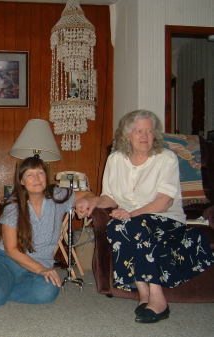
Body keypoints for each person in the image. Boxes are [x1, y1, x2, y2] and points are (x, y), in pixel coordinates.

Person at [78, 110, 214, 323]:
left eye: (149, 132)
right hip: (131, 219)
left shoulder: (165, 158)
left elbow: (164, 201)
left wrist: (130, 214)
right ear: (127, 136)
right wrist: (92, 201)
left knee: (134, 226)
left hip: (166, 218)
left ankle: (158, 298)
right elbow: (109, 197)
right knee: (116, 228)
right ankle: (143, 293)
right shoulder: (115, 159)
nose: (145, 136)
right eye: (139, 131)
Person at [0, 155, 90, 307]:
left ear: (46, 176)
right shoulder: (13, 208)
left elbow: (88, 194)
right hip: (6, 260)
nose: (36, 178)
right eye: (30, 175)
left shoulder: (57, 196)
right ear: (22, 181)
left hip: (38, 263)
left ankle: (1, 287)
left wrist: (86, 202)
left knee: (48, 291)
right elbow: (11, 250)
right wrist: (42, 271)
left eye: (40, 173)